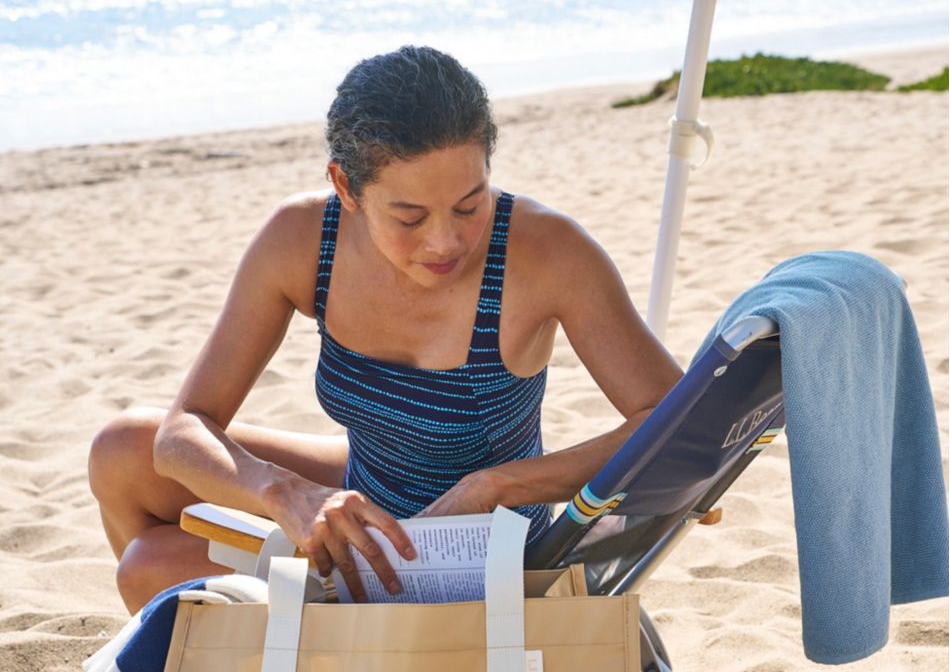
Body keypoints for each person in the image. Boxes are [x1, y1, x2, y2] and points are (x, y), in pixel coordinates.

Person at [89, 45, 682, 613]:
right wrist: (283, 493)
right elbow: (182, 430)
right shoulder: (303, 238)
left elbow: (678, 421)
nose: (445, 241)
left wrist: (497, 487)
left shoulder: (547, 252)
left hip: (482, 553)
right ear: (345, 187)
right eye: (410, 216)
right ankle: (194, 666)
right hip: (366, 488)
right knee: (124, 450)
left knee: (150, 567)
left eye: (470, 204)